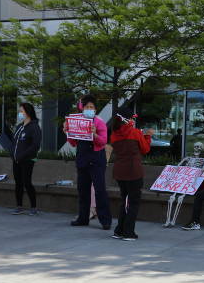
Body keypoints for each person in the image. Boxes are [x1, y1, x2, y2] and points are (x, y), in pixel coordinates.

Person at [63, 94, 112, 230]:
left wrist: (95, 134)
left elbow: (103, 142)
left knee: (100, 190)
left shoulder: (99, 122)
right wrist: (67, 132)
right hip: (82, 158)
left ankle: (105, 220)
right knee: (83, 190)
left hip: (97, 159)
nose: (89, 109)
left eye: (92, 107)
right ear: (82, 109)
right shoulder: (77, 121)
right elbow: (73, 143)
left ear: (95, 110)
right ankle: (83, 218)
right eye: (87, 107)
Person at [110, 108, 154, 241]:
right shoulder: (135, 133)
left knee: (125, 201)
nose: (134, 120)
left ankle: (119, 230)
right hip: (134, 171)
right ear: (127, 119)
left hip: (119, 171)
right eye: (132, 118)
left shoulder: (113, 134)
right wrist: (147, 136)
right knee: (133, 202)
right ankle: (128, 232)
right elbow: (145, 149)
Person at [9, 102, 42, 215]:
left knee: (27, 182)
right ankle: (19, 206)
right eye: (19, 112)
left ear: (28, 113)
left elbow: (35, 145)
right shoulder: (19, 126)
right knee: (18, 182)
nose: (20, 114)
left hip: (27, 160)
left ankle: (34, 207)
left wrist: (23, 155)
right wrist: (12, 154)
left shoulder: (34, 127)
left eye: (21, 111)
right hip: (16, 160)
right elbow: (14, 142)